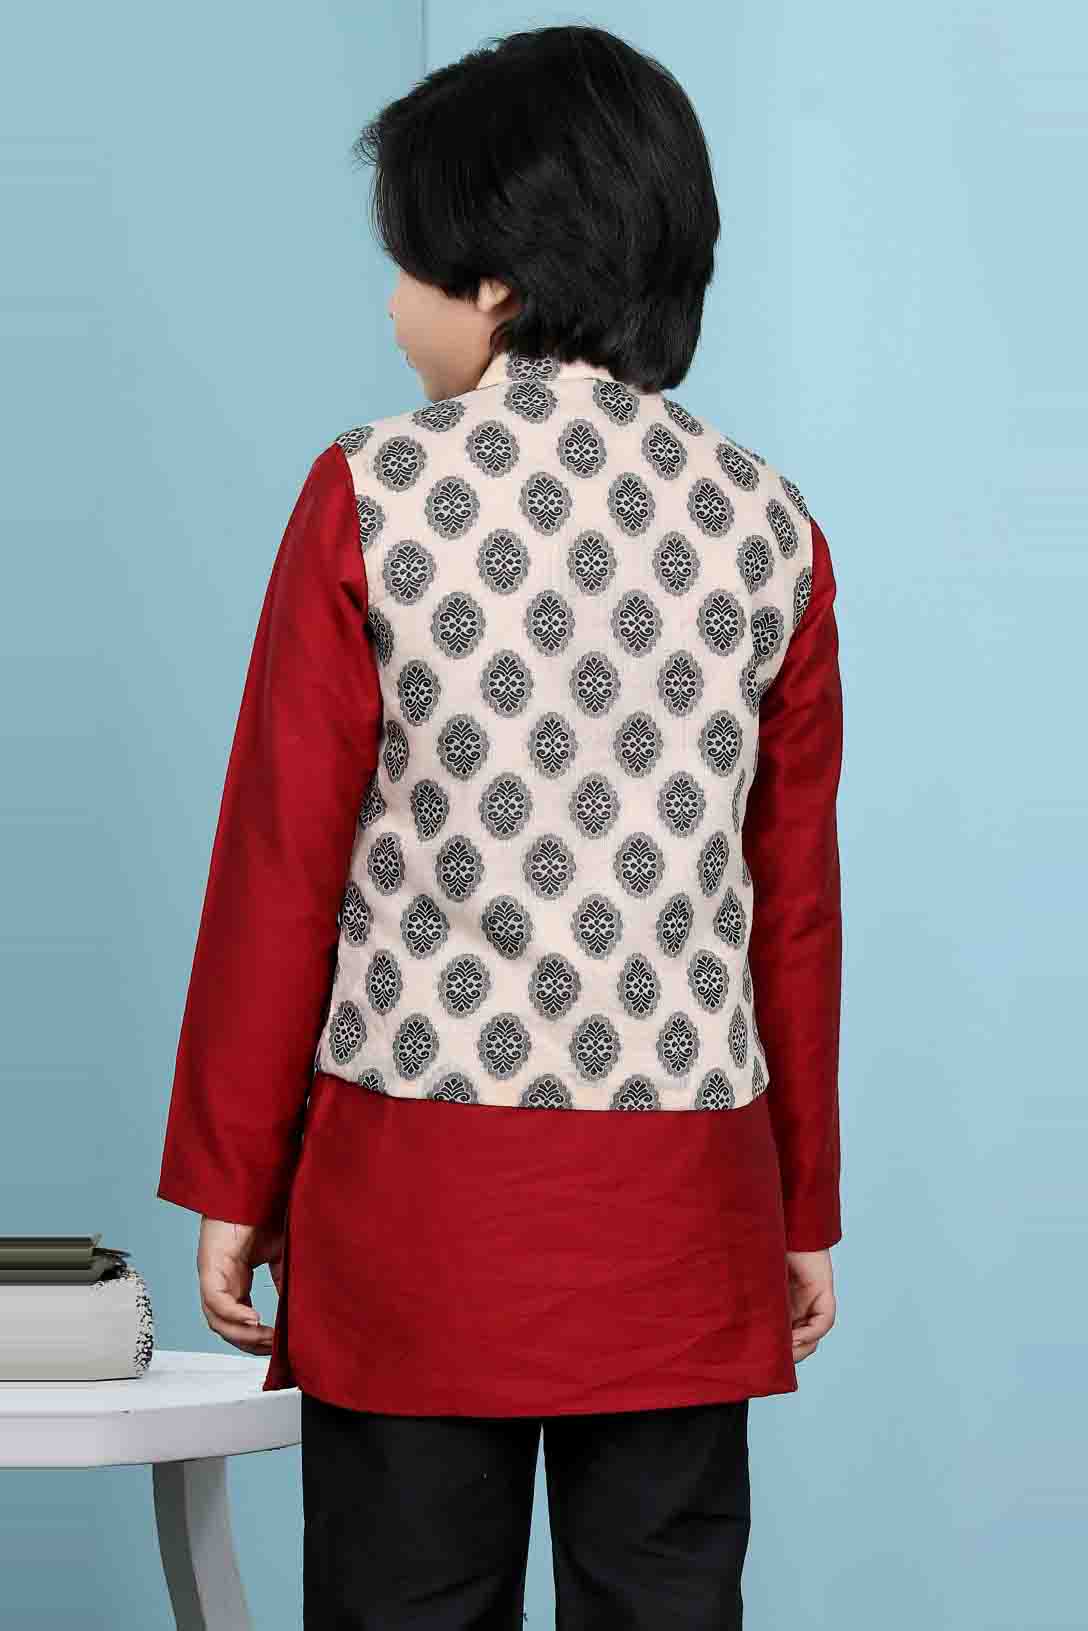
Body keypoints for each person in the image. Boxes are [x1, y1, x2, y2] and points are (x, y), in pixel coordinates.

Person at [156, 22, 843, 1629]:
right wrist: (799, 1203)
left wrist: (236, 1178)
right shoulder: (771, 525)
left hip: (420, 1212)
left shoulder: (371, 495)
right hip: (683, 1209)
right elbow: (790, 902)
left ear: (499, 280)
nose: (393, 307)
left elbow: (283, 867)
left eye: (409, 267)